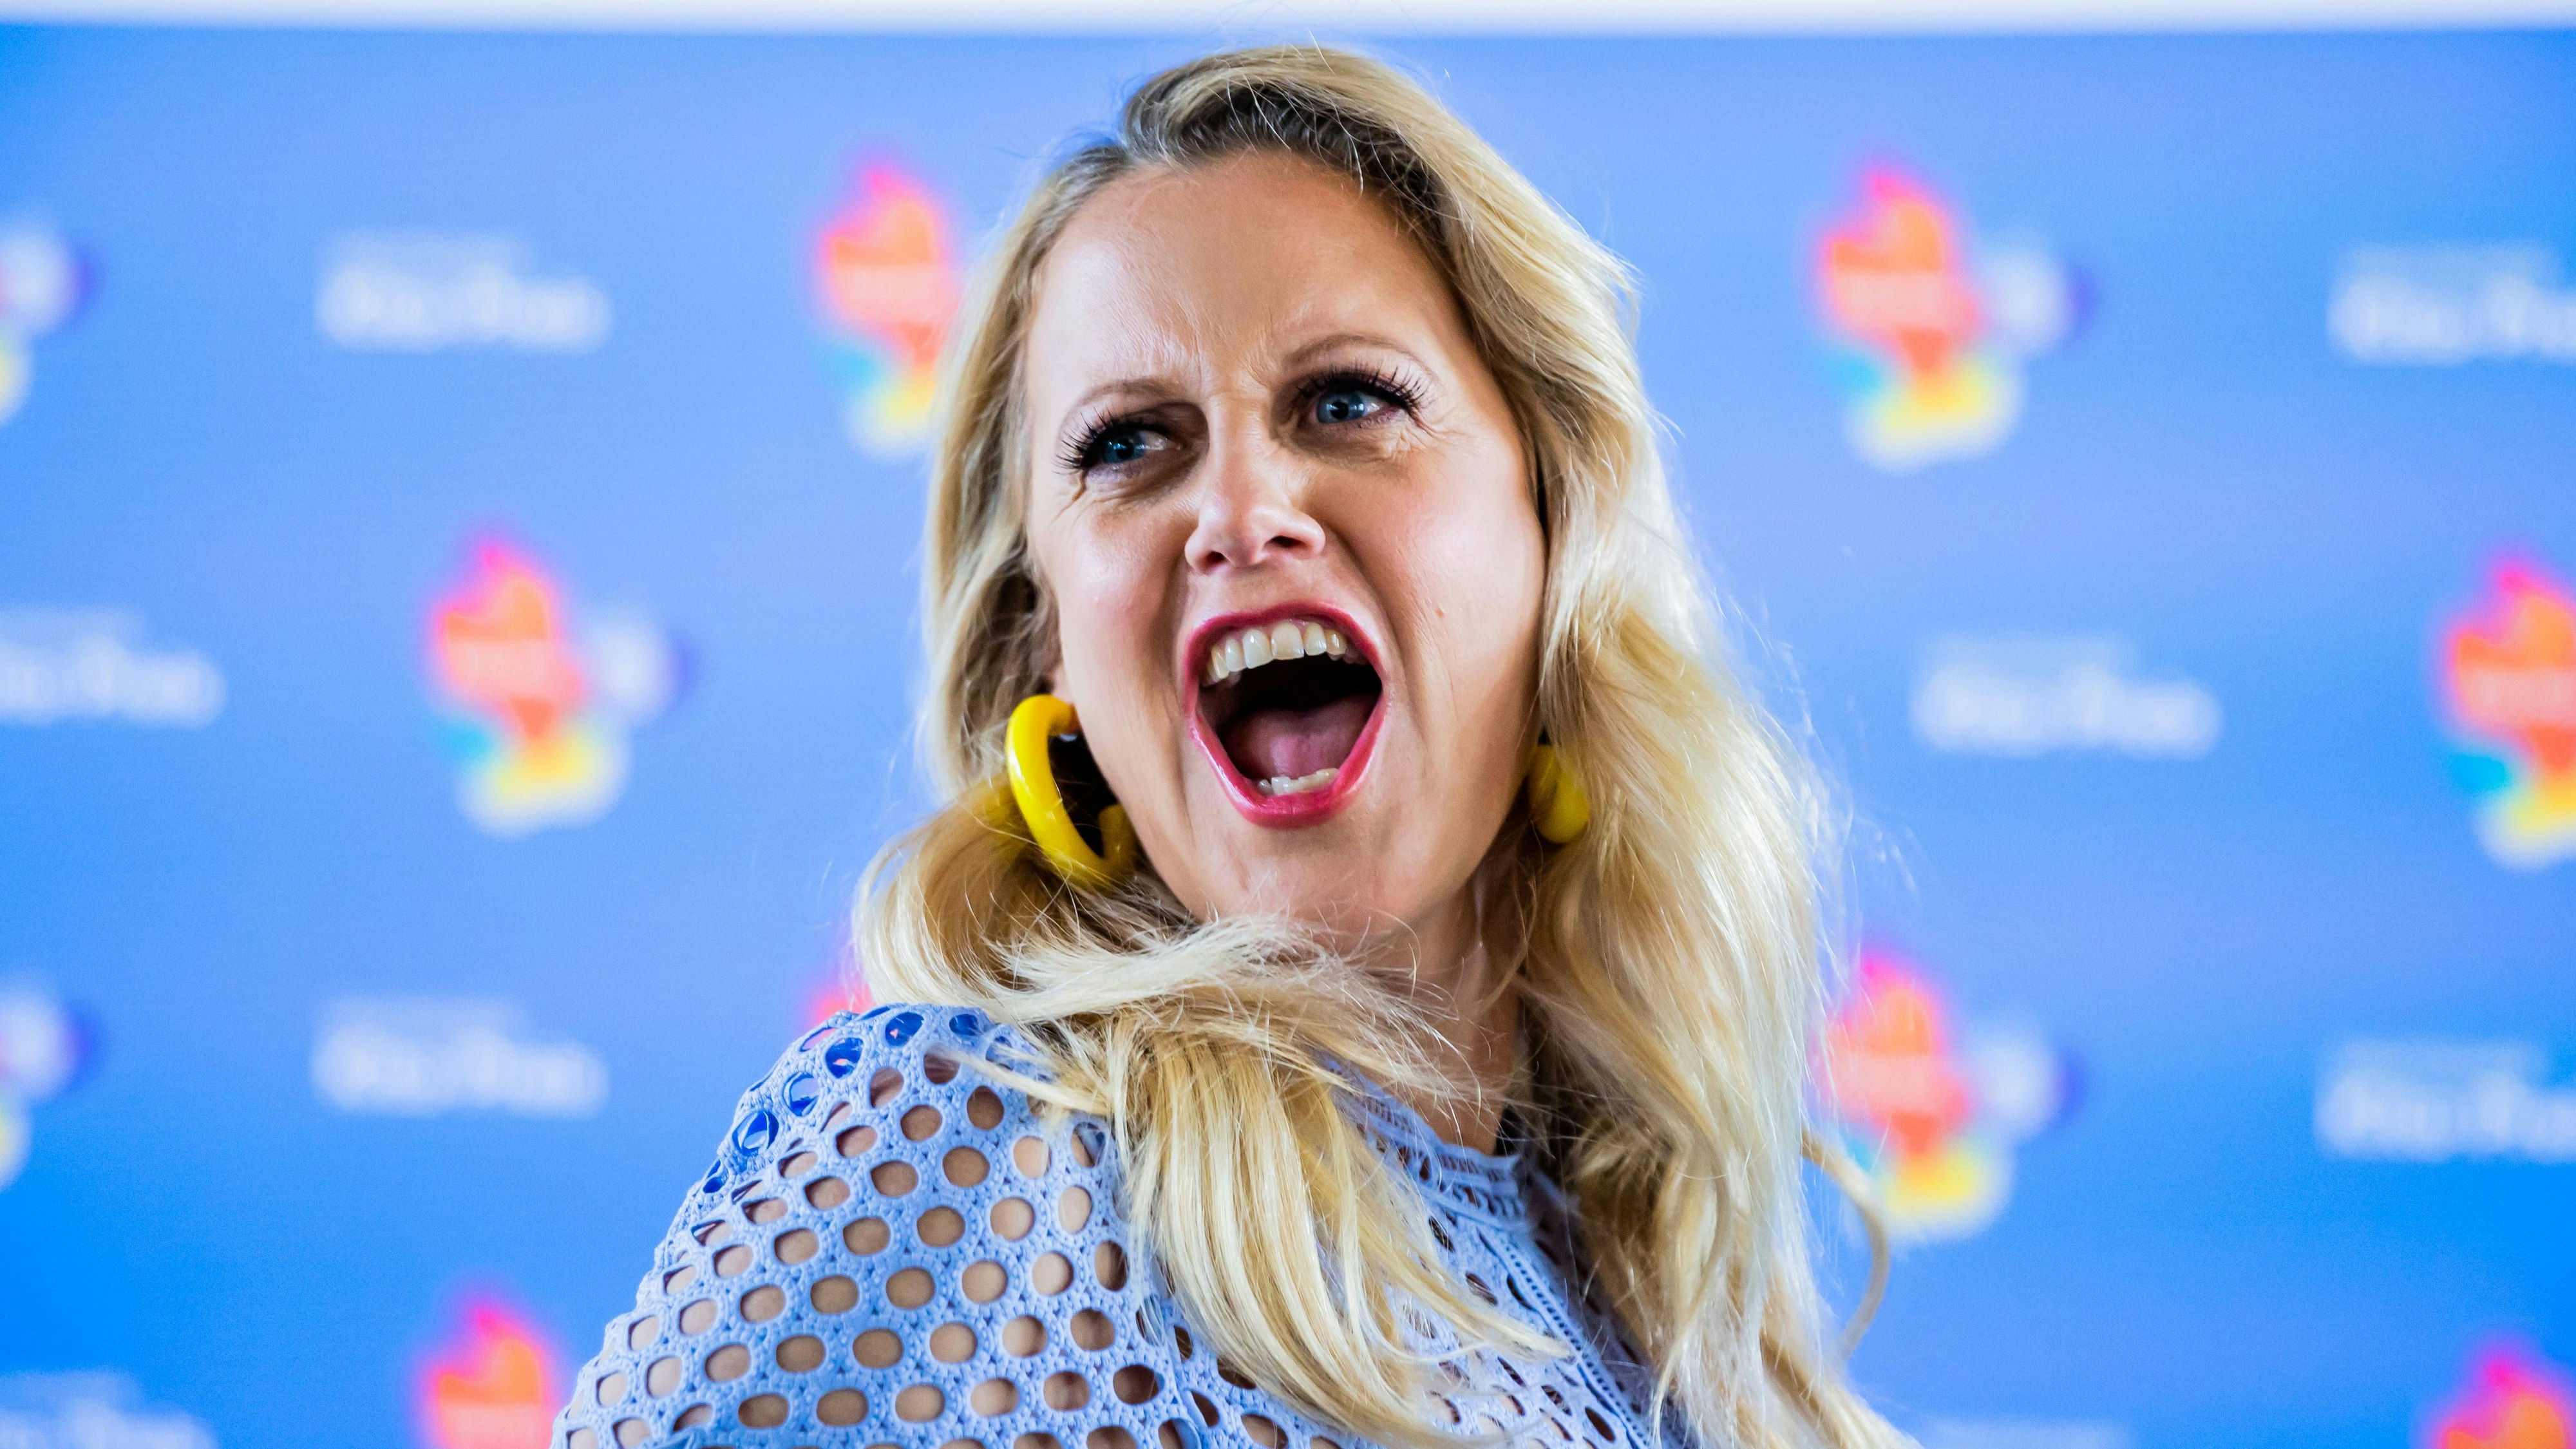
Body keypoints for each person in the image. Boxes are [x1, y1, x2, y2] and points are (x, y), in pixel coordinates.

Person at [552, 45, 1900, 1449]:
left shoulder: (1647, 1278)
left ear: (1553, 528)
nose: (1242, 509)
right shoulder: (963, 1153)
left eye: (1345, 402)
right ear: (1045, 641)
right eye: (1130, 443)